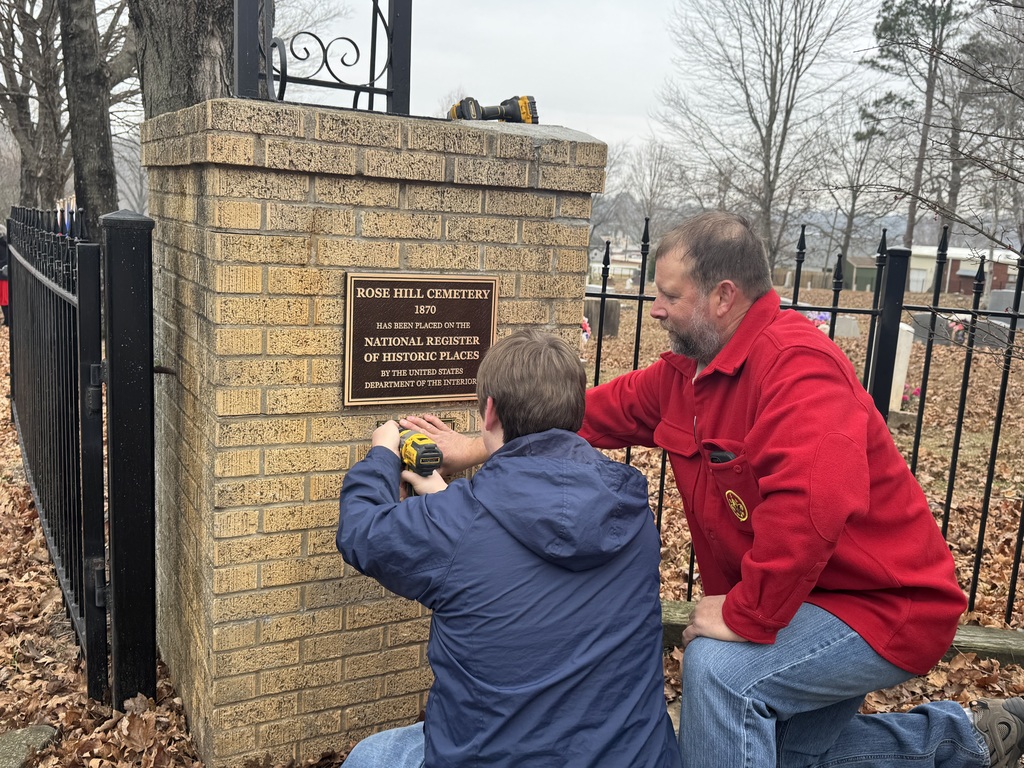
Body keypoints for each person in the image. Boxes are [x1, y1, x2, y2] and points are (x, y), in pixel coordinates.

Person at [402, 211, 1024, 768]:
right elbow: (580, 415)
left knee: (719, 673)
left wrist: (746, 612)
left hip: (881, 606)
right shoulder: (687, 377)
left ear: (724, 296)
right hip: (803, 599)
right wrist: (483, 443)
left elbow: (815, 507)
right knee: (782, 754)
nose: (655, 308)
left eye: (670, 294)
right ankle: (959, 739)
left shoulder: (798, 369)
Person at [337, 329, 680, 768]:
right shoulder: (631, 512)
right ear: (577, 410)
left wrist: (382, 454)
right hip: (633, 757)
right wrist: (446, 502)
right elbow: (516, 547)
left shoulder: (456, 526)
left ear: (490, 411)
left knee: (370, 756)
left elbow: (361, 531)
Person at [0, 227, 9, 327]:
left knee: (4, 299)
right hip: (4, 275)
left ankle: (7, 320)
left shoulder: (2, 245)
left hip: (3, 275)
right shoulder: (6, 243)